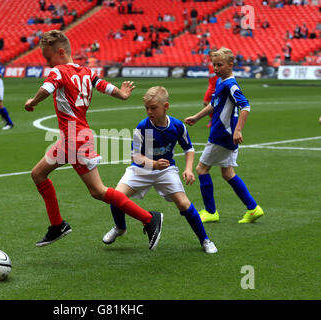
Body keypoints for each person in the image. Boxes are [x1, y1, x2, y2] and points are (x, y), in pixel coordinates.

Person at [24, 30, 163, 249]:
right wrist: (123, 94)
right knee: (38, 174)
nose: (47, 63)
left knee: (98, 191)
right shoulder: (87, 72)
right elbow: (105, 87)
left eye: (48, 57)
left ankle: (149, 218)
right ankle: (57, 225)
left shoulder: (59, 71)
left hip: (76, 139)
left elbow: (47, 88)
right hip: (70, 138)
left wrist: (32, 101)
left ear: (60, 52)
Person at [102, 86, 218, 254]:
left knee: (184, 204)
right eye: (147, 108)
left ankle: (205, 240)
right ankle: (120, 227)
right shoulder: (143, 127)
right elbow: (135, 157)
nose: (149, 112)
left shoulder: (177, 126)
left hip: (166, 170)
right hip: (141, 169)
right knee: (116, 197)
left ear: (166, 106)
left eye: (153, 108)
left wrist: (188, 169)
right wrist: (153, 164)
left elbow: (189, 148)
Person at [184, 47, 264, 224]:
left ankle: (211, 211)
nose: (216, 68)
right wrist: (197, 117)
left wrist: (238, 130)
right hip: (225, 134)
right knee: (227, 173)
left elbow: (246, 106)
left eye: (220, 65)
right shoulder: (221, 82)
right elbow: (214, 105)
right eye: (214, 65)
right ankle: (253, 208)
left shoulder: (230, 84)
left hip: (222, 135)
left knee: (201, 169)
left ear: (230, 65)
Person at [203, 51, 218, 128]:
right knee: (205, 102)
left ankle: (215, 120)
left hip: (217, 87)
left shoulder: (219, 64)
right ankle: (213, 118)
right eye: (211, 55)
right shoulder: (209, 63)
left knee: (217, 104)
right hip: (211, 87)